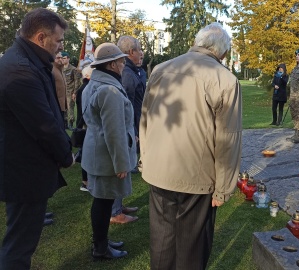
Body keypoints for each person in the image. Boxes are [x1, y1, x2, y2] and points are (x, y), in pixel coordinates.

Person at [140, 22, 242, 270]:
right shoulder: (224, 79)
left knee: (163, 240)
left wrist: (145, 159)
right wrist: (224, 188)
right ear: (223, 52)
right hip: (196, 175)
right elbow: (228, 138)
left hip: (160, 169)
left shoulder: (161, 70)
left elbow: (144, 120)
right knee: (192, 247)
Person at [0, 8, 74, 269]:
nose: (61, 46)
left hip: (23, 169)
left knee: (21, 240)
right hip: (24, 172)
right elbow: (43, 126)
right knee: (19, 245)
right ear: (41, 38)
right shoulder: (20, 69)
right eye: (59, 39)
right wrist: (67, 155)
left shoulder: (25, 60)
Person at [81, 43, 137, 259]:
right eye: (122, 61)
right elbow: (114, 131)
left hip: (97, 152)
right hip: (106, 156)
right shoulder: (109, 90)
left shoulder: (94, 85)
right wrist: (121, 163)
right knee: (103, 203)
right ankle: (100, 247)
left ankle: (101, 241)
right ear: (113, 64)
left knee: (102, 201)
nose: (124, 64)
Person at [106, 35, 144, 224]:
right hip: (128, 126)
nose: (141, 53)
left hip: (132, 125)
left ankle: (118, 206)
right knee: (121, 168)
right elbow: (125, 106)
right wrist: (133, 131)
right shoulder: (128, 74)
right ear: (131, 52)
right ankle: (115, 211)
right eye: (139, 50)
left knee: (126, 167)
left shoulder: (131, 71)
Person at [75, 61, 93, 192]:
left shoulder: (85, 87)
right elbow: (83, 109)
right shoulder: (85, 89)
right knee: (85, 153)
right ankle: (85, 182)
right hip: (85, 125)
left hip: (84, 124)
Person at [62, 51, 82, 129]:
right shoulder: (60, 69)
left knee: (70, 108)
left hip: (70, 92)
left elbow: (77, 81)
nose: (62, 60)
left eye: (64, 58)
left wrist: (75, 92)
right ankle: (65, 123)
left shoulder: (73, 69)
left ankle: (70, 123)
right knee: (64, 109)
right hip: (63, 92)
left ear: (68, 59)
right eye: (62, 58)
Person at [53, 52, 68, 124]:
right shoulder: (52, 70)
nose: (60, 59)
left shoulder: (61, 70)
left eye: (61, 58)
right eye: (58, 58)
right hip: (55, 105)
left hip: (62, 105)